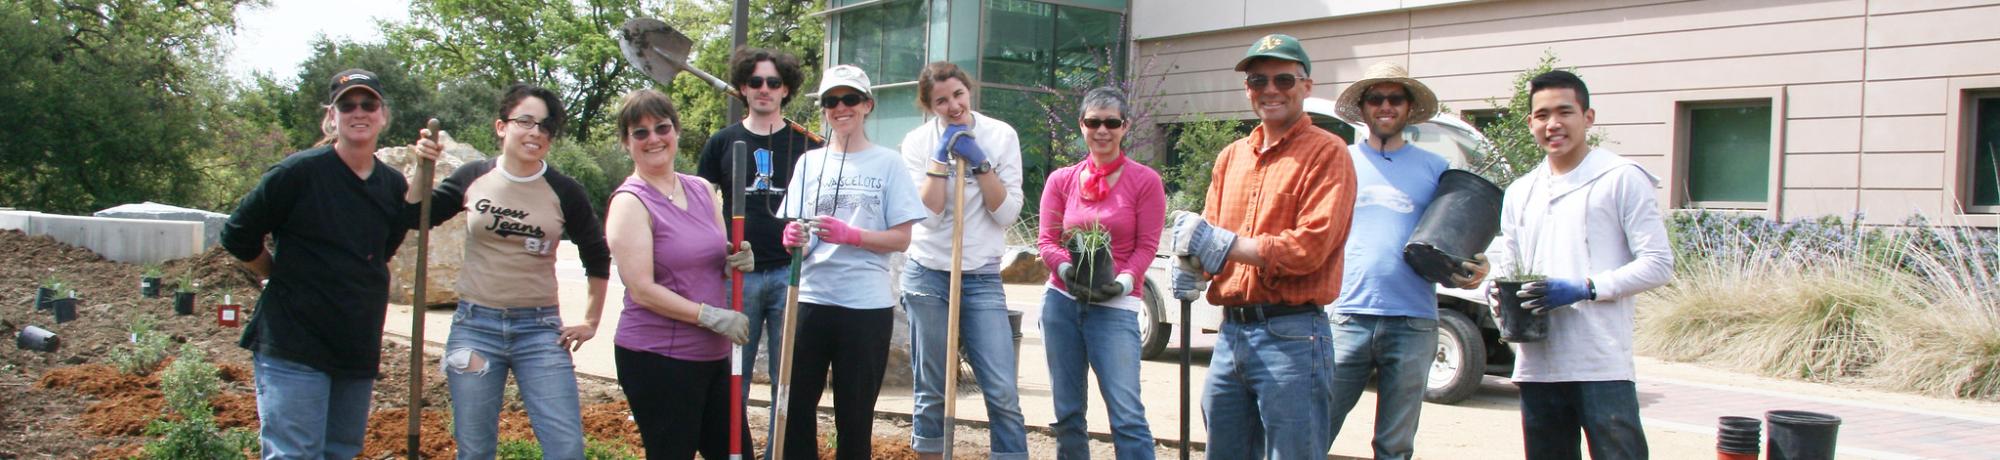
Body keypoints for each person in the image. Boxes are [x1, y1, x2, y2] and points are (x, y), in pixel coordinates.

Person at [1169, 34, 1358, 458]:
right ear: (1247, 89)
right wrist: (1189, 264)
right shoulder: (1230, 157)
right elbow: (1211, 242)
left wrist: (1225, 244)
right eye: (1258, 81)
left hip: (1292, 334)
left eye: (1284, 80)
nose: (1270, 90)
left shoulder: (1329, 154)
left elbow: (1309, 248)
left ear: (1306, 86)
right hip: (1230, 332)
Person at [403, 83, 613, 459]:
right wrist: (422, 167)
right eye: (526, 121)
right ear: (501, 126)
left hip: (540, 333)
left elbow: (596, 254)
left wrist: (591, 320)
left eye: (545, 127)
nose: (536, 132)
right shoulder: (473, 176)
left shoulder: (564, 190)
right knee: (475, 448)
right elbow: (418, 216)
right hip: (474, 329)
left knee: (566, 449)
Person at [221, 68, 411, 459]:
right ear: (332, 116)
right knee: (294, 453)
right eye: (348, 105)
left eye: (368, 104)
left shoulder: (392, 185)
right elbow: (238, 233)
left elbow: (383, 248)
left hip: (355, 343)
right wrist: (274, 272)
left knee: (340, 451)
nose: (359, 112)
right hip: (294, 340)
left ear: (383, 114)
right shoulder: (297, 173)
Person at [1485, 70, 1674, 460]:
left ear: (1587, 117)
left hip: (1600, 364)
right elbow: (1508, 263)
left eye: (1564, 112)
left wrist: (1585, 287)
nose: (1553, 124)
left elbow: (1658, 264)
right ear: (1530, 123)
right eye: (1541, 115)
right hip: (1538, 364)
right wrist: (1498, 296)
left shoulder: (1620, 178)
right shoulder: (1522, 191)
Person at [1324, 62, 1490, 460]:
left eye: (1394, 98)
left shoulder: (1438, 170)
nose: (1385, 106)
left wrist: (1476, 268)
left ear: (1408, 107)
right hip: (1347, 315)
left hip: (1414, 320)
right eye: (1375, 98)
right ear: (1362, 108)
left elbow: (1458, 239)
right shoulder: (1338, 161)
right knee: (1317, 425)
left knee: (1395, 445)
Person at [776, 64, 928, 460]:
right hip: (809, 300)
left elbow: (902, 238)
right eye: (831, 101)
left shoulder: (889, 164)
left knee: (855, 418)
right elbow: (796, 232)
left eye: (850, 99)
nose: (840, 108)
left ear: (867, 105)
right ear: (823, 109)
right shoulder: (808, 164)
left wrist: (852, 235)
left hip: (865, 306)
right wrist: (792, 238)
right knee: (795, 411)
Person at [602, 88, 758, 459]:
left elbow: (705, 255)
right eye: (640, 133)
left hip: (713, 354)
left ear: (676, 130)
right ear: (626, 142)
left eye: (662, 127)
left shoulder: (702, 188)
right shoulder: (629, 202)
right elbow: (641, 289)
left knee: (737, 455)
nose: (654, 138)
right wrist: (708, 315)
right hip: (658, 357)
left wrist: (733, 258)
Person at [895, 60, 1030, 460]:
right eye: (941, 101)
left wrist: (980, 163)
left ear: (968, 90)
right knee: (933, 387)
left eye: (957, 94)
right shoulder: (917, 142)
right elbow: (928, 213)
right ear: (929, 105)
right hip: (928, 274)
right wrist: (939, 161)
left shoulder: (1001, 135)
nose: (953, 106)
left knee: (1002, 388)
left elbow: (1005, 213)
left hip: (982, 275)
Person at [694, 48, 823, 422]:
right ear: (742, 88)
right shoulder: (721, 142)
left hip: (791, 273)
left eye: (773, 82)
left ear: (786, 90)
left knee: (789, 381)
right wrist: (720, 247)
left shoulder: (808, 146)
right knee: (735, 375)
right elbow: (701, 206)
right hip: (739, 275)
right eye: (755, 82)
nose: (763, 89)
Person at [1035, 86, 1164, 460]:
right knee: (1068, 413)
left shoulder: (1145, 181)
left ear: (1125, 127)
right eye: (1093, 122)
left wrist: (1122, 282)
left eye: (1111, 122)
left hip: (1117, 306)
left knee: (1126, 414)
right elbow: (1047, 240)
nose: (1102, 130)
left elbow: (1146, 246)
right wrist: (1065, 269)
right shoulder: (1061, 180)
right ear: (1082, 125)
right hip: (1062, 302)